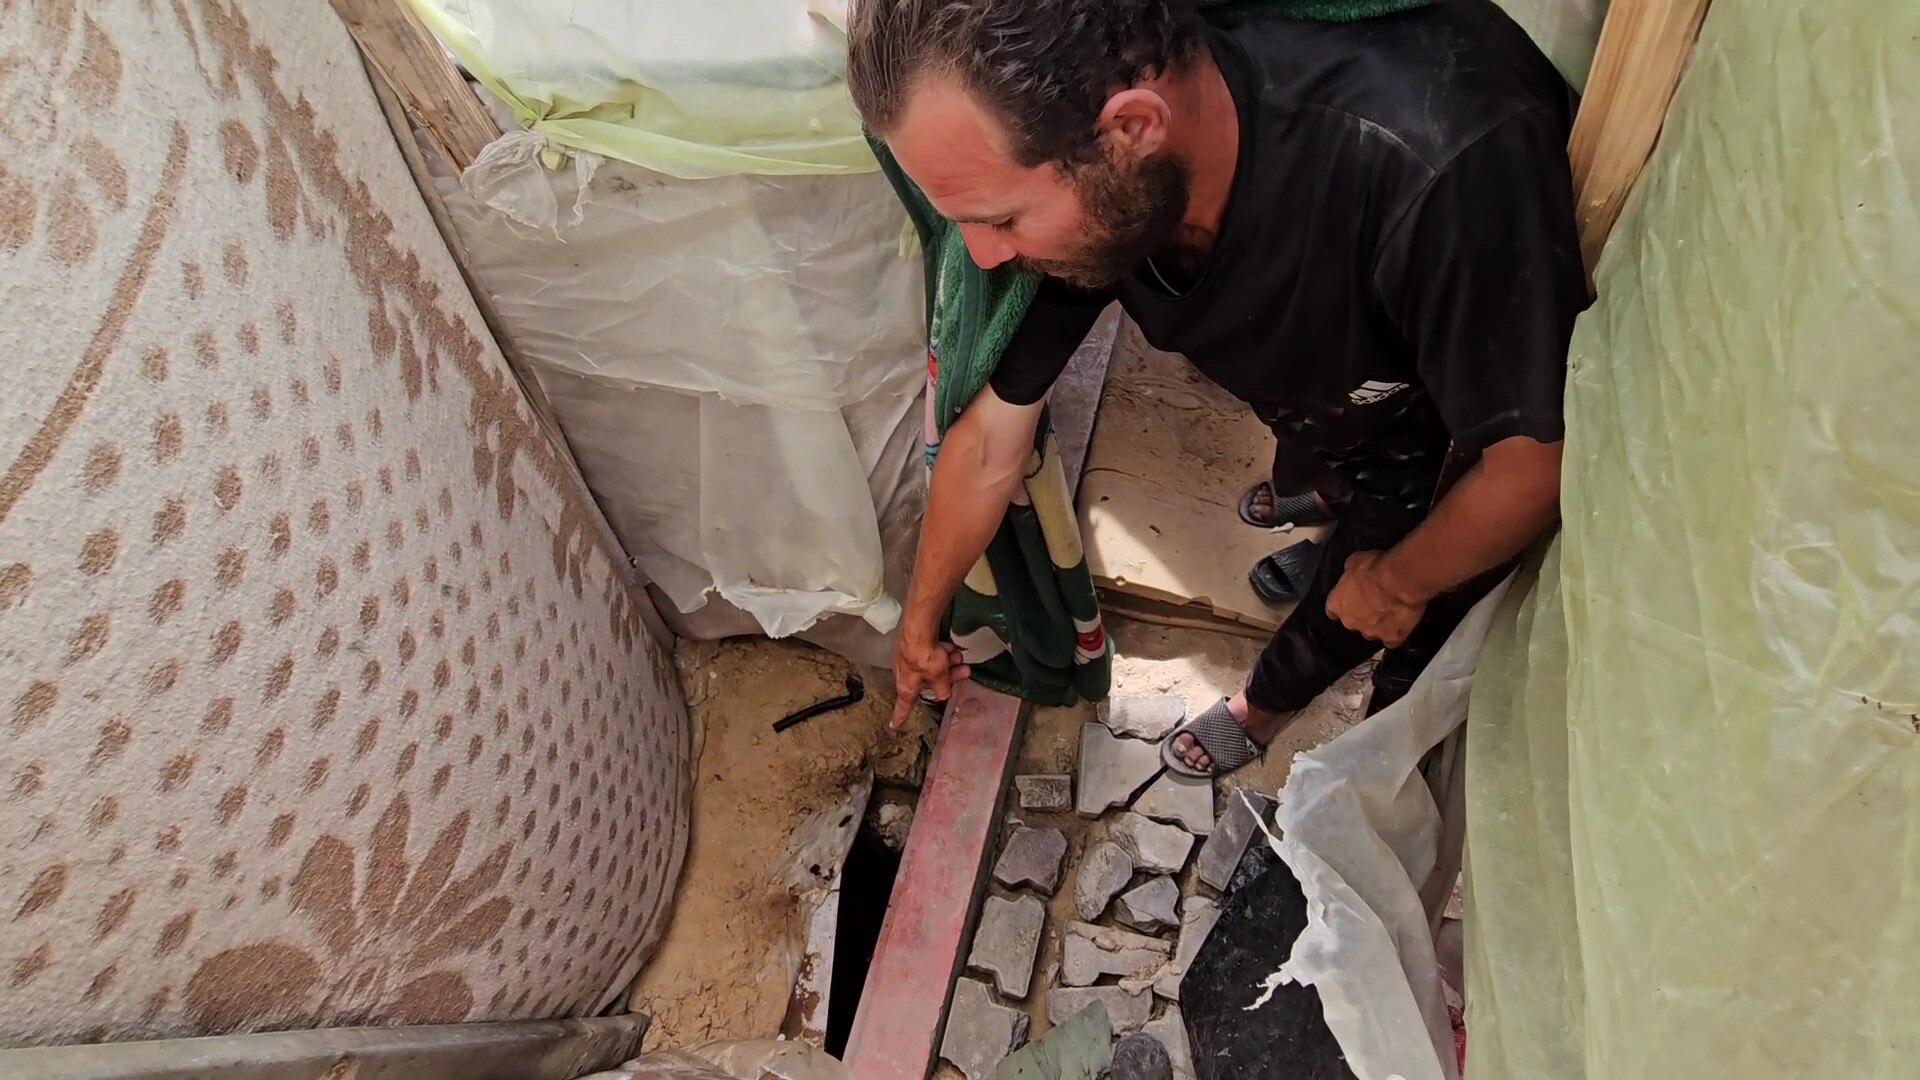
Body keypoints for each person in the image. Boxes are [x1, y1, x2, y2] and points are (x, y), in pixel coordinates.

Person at [847, 0, 1586, 774]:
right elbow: (992, 441)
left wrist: (1403, 580)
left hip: (1433, 431)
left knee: (1364, 601)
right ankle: (1324, 506)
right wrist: (920, 623)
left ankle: (1264, 705)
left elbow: (1530, 464)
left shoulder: (1438, 168)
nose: (984, 258)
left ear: (1132, 128)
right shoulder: (1110, 177)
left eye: (1000, 219)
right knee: (1321, 470)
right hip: (1328, 398)